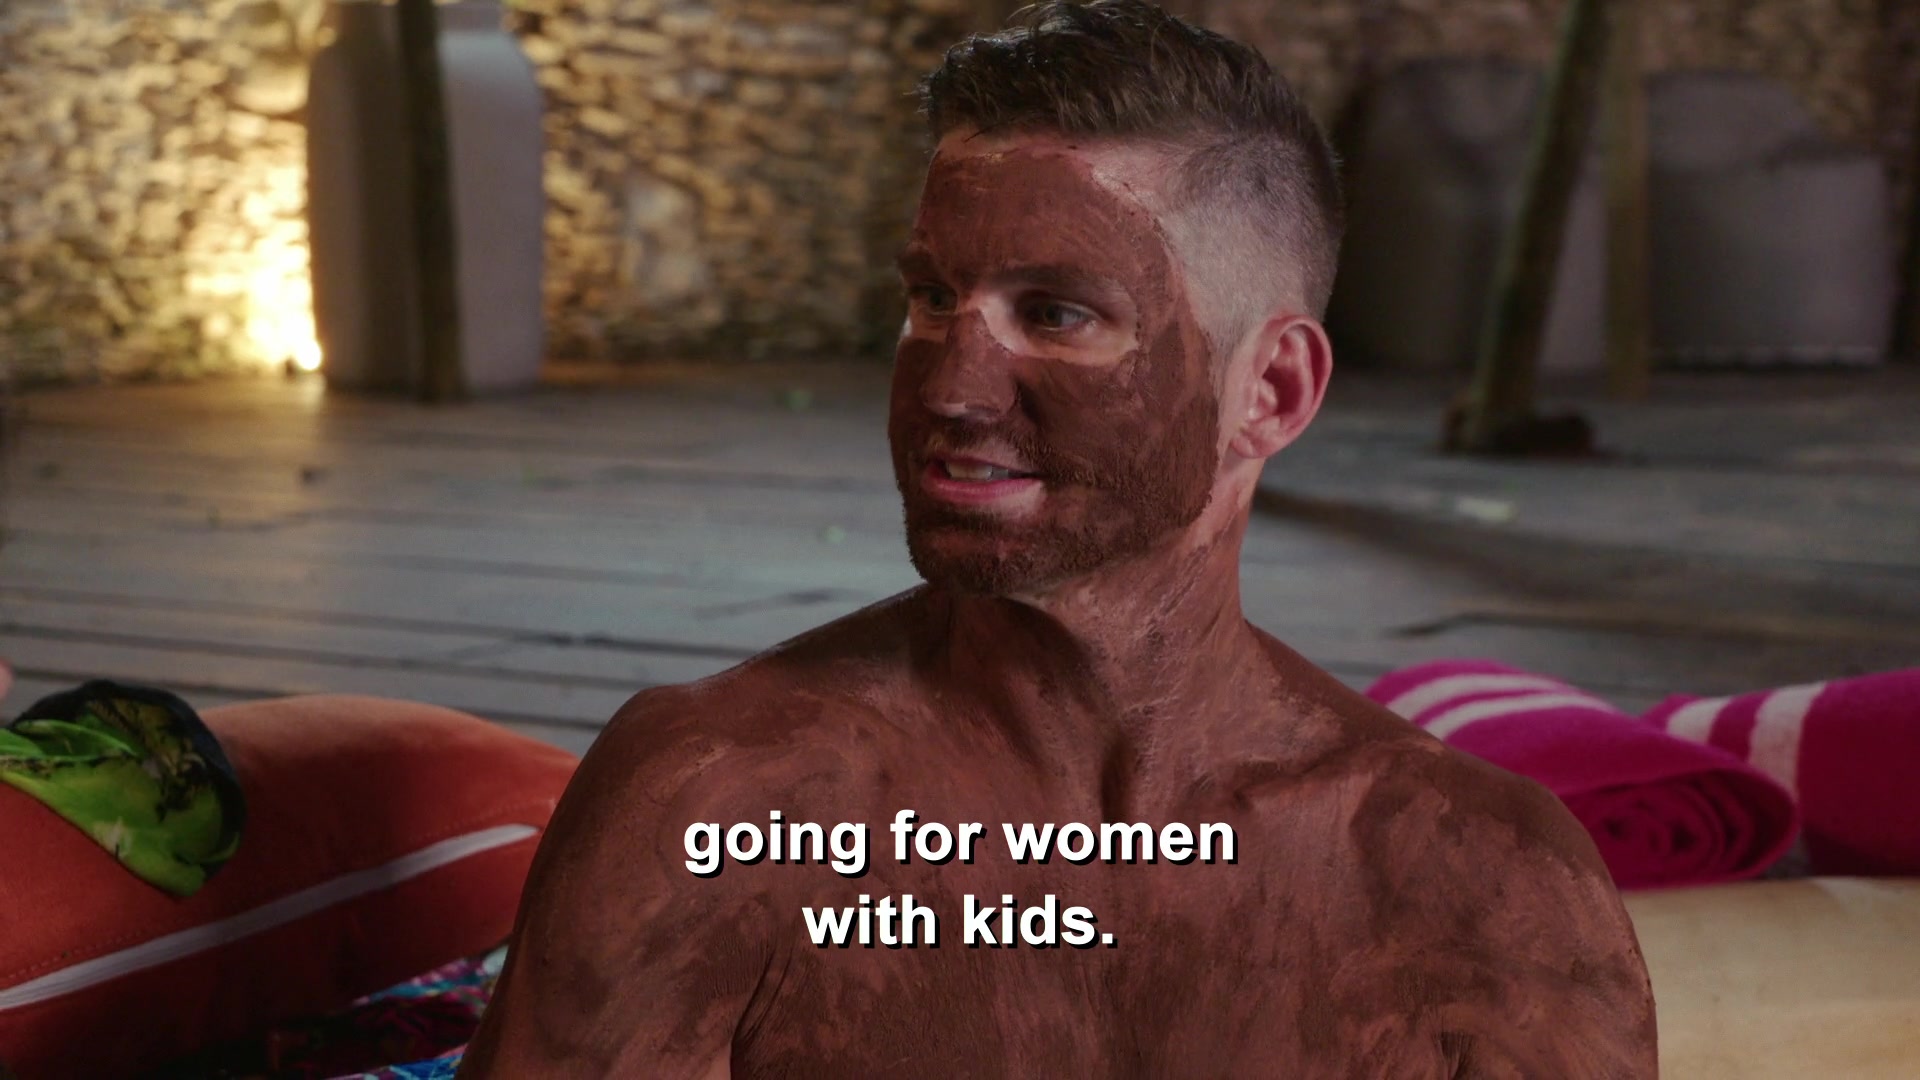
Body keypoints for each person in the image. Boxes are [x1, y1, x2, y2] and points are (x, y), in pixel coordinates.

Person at [460, 2, 1657, 1076]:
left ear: (1271, 392)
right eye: (932, 298)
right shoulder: (716, 805)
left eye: (1056, 314)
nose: (952, 388)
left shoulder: (1476, 880)